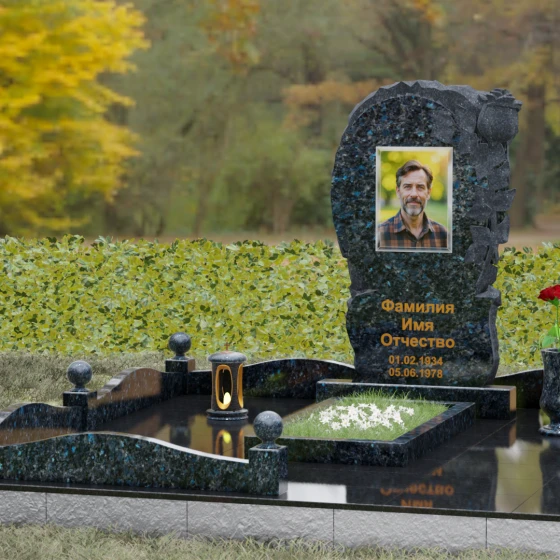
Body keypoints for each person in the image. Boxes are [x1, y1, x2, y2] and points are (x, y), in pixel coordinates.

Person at [377, 159, 448, 250]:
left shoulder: (444, 235)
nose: (414, 194)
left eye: (420, 187)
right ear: (398, 192)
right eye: (407, 187)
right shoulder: (379, 235)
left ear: (428, 193)